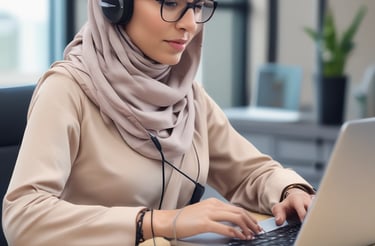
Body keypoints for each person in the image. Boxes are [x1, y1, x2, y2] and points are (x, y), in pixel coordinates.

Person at [2, 0, 315, 245]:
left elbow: (249, 173)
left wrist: (290, 190)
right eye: (170, 3)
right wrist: (159, 222)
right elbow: (23, 216)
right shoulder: (67, 89)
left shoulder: (186, 94)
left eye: (197, 6)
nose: (190, 24)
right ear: (116, 6)